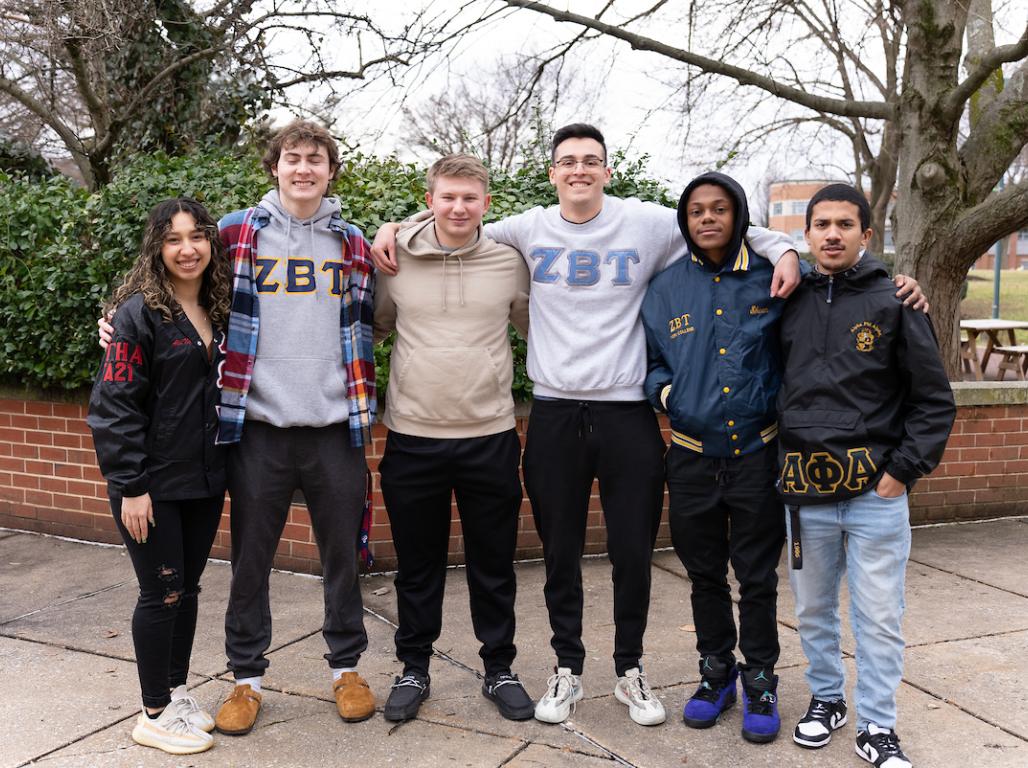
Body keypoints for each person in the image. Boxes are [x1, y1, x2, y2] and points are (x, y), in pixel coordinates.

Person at [373, 123, 802, 727]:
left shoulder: (647, 224)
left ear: (606, 169)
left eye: (591, 161)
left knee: (632, 552)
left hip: (626, 413)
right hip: (553, 412)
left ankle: (630, 669)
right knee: (561, 554)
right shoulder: (524, 229)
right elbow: (449, 228)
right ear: (552, 173)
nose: (579, 169)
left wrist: (783, 246)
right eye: (568, 161)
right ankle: (566, 669)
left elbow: (721, 222)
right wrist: (389, 229)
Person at [102, 121, 379, 734]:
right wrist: (114, 325)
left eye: (315, 159)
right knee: (249, 562)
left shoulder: (355, 244)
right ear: (273, 167)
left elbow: (376, 319)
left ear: (331, 170)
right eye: (291, 158)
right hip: (257, 430)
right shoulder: (233, 233)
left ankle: (346, 669)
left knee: (342, 558)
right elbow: (168, 277)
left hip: (336, 427)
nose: (303, 168)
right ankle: (246, 679)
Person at [777, 184, 955, 768]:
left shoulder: (897, 302)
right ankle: (827, 700)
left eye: (844, 225)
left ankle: (878, 724)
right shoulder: (785, 297)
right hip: (804, 493)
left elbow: (933, 402)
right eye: (821, 224)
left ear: (866, 235)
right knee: (811, 611)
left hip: (876, 495)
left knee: (879, 616)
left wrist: (899, 475)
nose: (832, 234)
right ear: (805, 236)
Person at [373, 154, 534, 722]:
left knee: (494, 565)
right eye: (448, 197)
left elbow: (540, 328)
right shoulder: (393, 263)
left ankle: (499, 669)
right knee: (418, 567)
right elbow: (370, 327)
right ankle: (414, 667)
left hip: (489, 435)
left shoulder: (509, 263)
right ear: (431, 199)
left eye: (470, 198)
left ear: (486, 204)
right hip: (413, 438)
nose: (459, 207)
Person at [641, 172, 789, 743]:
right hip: (693, 458)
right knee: (704, 575)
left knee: (756, 577)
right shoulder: (665, 288)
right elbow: (653, 361)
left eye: (719, 209)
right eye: (697, 210)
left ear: (738, 214)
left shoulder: (771, 277)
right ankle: (716, 674)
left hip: (757, 454)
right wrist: (667, 394)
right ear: (685, 220)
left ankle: (761, 680)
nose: (707, 218)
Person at [88, 198, 231, 755]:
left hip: (203, 478)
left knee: (187, 589)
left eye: (197, 236)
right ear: (157, 248)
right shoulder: (136, 314)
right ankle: (151, 714)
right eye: (173, 239)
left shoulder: (221, 308)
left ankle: (174, 693)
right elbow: (114, 405)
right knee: (161, 591)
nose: (187, 249)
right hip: (150, 483)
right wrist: (131, 486)